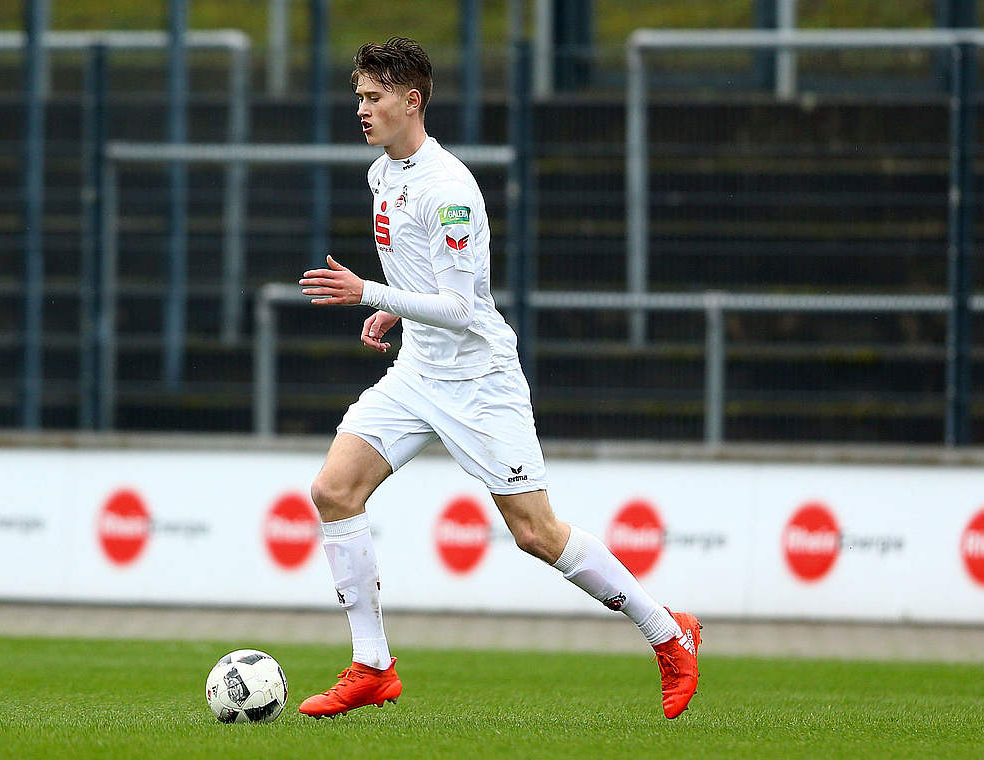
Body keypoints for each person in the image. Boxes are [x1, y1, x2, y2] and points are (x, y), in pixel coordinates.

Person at [295, 36, 701, 720]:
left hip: (480, 382)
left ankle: (669, 632)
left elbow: (461, 307)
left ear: (411, 100)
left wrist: (370, 295)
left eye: (373, 98)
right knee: (334, 490)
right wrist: (395, 313)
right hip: (420, 370)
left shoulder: (449, 190)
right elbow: (425, 286)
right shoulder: (382, 174)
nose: (361, 111)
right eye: (358, 97)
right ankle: (372, 666)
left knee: (536, 533)